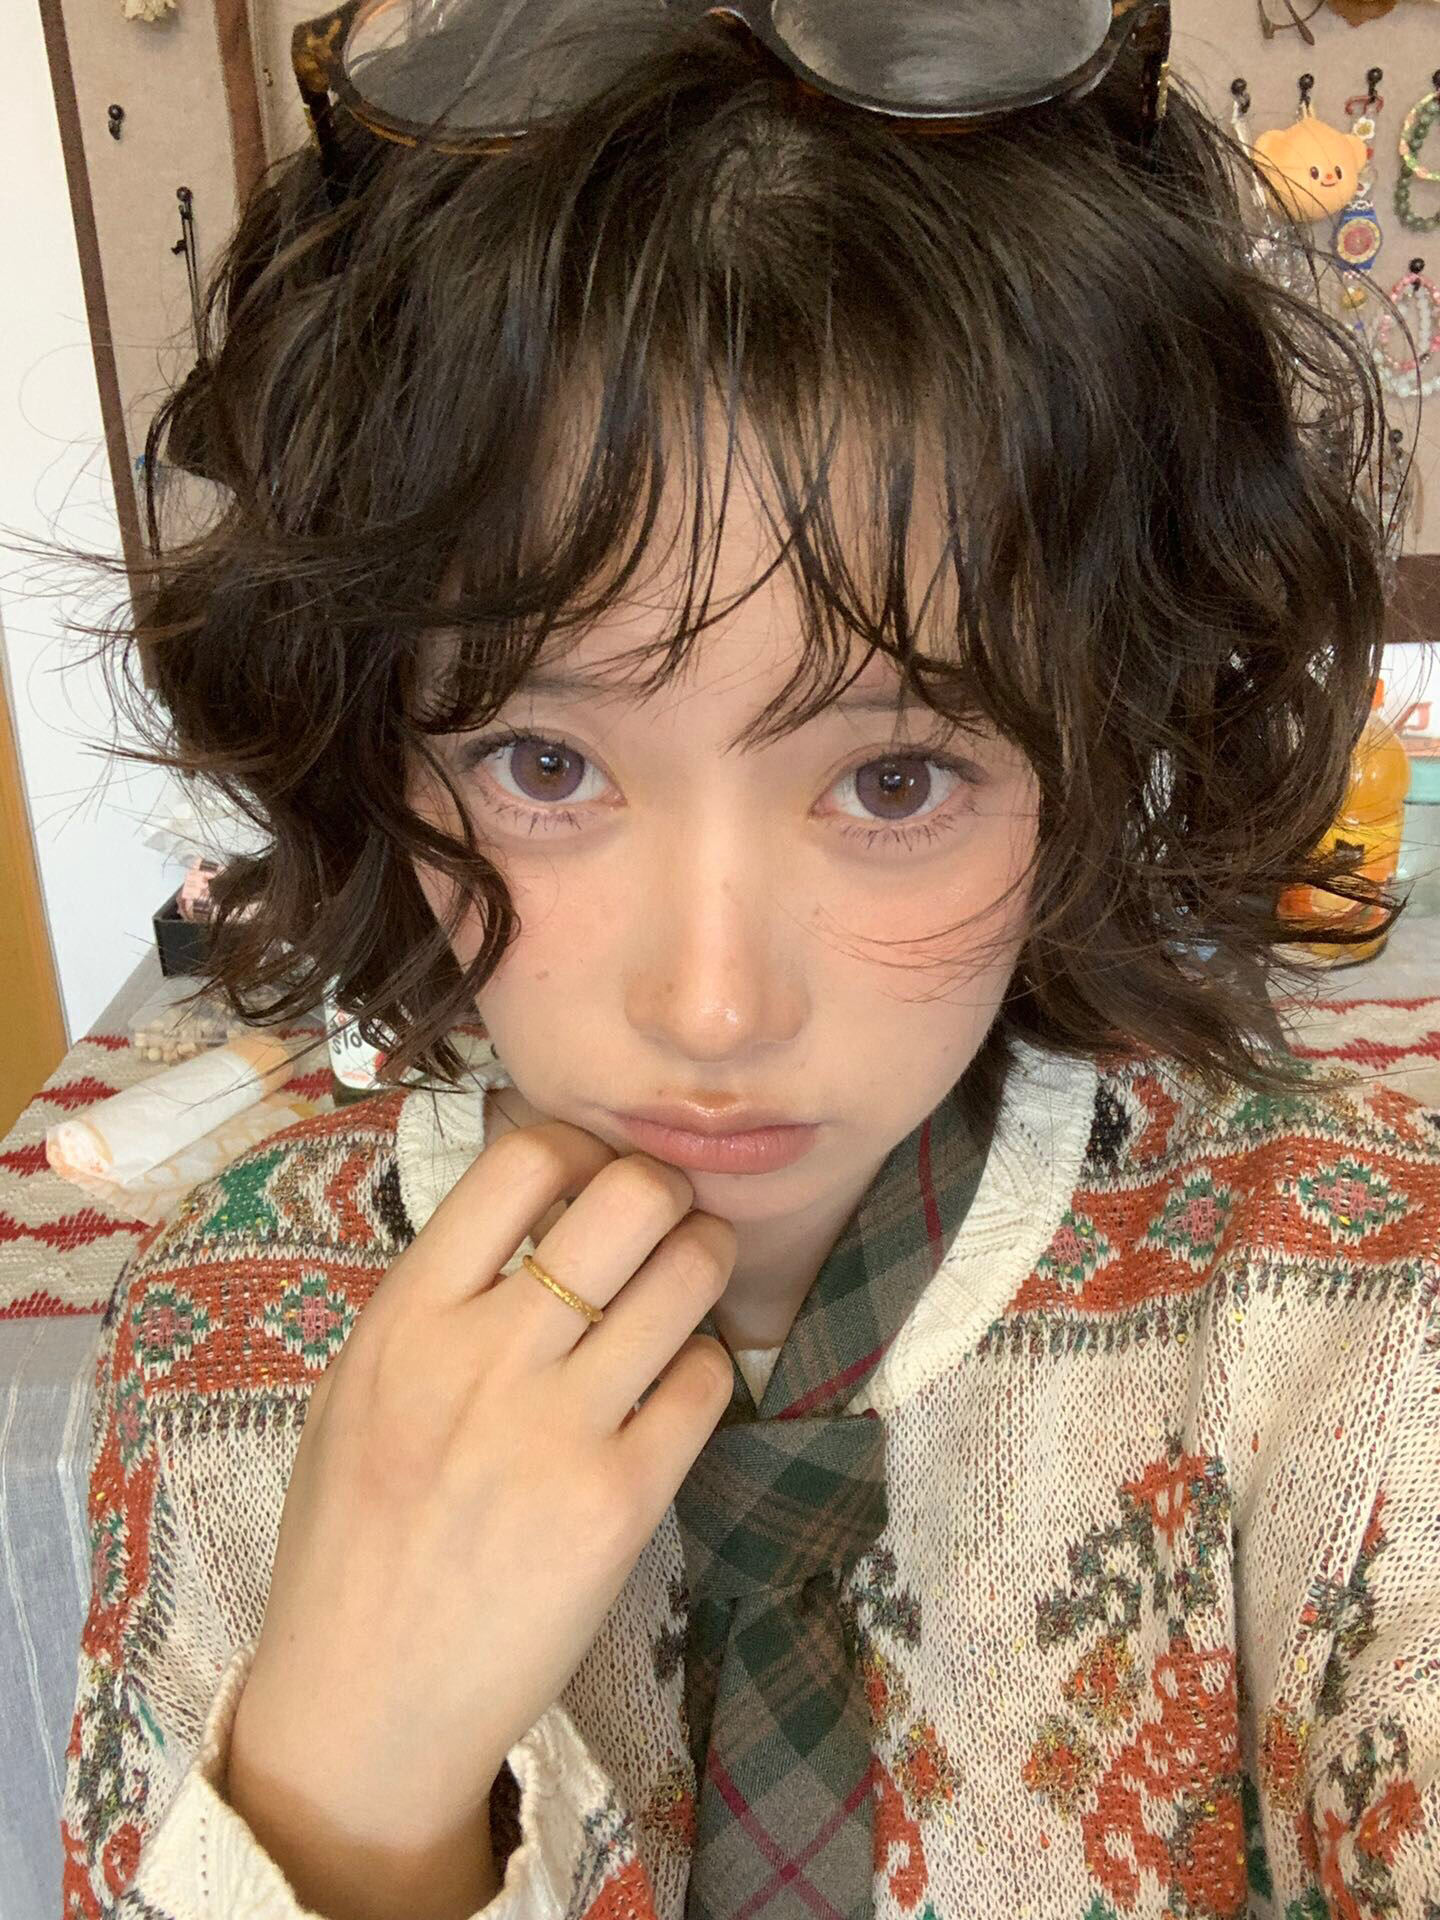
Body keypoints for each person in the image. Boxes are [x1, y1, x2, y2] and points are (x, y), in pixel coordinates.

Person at [60, 2, 1438, 1916]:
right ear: (374, 739)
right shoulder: (231, 1342)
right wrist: (341, 1779)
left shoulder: (1349, 1311)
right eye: (546, 766)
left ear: (1095, 748)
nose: (710, 1008)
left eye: (894, 779)